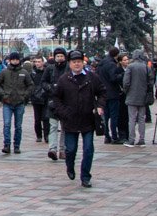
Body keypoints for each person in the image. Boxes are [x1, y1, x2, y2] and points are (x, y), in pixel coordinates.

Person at [50, 50, 104, 188]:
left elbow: (103, 92)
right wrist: (63, 112)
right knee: (70, 149)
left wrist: (99, 105)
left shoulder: (92, 77)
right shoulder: (64, 79)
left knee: (88, 149)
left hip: (88, 119)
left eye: (79, 61)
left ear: (83, 63)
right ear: (70, 64)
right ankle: (70, 166)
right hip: (70, 120)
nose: (77, 64)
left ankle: (85, 176)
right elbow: (56, 97)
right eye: (74, 62)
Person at [0, 52, 33, 155]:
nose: (15, 61)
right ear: (10, 60)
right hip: (7, 102)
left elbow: (30, 85)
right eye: (13, 59)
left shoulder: (24, 72)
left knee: (18, 126)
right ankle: (6, 145)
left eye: (16, 59)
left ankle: (17, 145)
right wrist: (3, 94)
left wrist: (24, 96)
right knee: (7, 124)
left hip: (19, 102)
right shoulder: (4, 72)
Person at [43, 48, 69, 160]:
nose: (59, 58)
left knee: (65, 127)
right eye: (57, 56)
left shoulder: (68, 68)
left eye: (61, 56)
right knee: (53, 126)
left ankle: (63, 150)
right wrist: (50, 88)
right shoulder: (50, 69)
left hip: (66, 102)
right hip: (52, 102)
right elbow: (43, 82)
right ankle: (52, 149)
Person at [122, 49, 152, 146]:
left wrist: (126, 91)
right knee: (141, 119)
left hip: (131, 95)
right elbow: (151, 82)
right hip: (143, 96)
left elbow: (126, 82)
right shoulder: (146, 67)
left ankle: (131, 139)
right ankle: (142, 139)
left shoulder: (130, 67)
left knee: (132, 119)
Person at [98, 47, 124, 144]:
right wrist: (122, 75)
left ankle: (106, 136)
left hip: (103, 93)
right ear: (116, 55)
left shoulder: (101, 63)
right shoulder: (112, 64)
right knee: (114, 116)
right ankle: (114, 136)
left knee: (106, 116)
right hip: (112, 93)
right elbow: (113, 78)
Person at [30, 54, 51, 144]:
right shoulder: (33, 73)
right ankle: (39, 135)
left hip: (45, 97)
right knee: (37, 118)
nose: (37, 63)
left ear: (43, 62)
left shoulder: (47, 71)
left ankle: (47, 135)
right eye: (36, 62)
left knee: (46, 118)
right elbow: (30, 85)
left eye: (39, 62)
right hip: (35, 98)